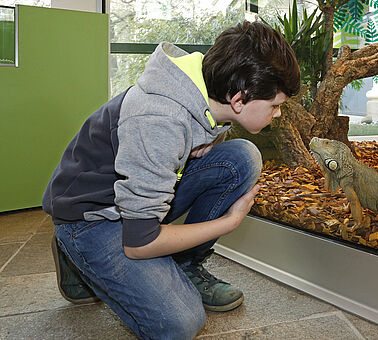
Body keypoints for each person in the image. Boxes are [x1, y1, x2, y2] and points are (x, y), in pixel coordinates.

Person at [42, 21, 300, 339]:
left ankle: (186, 264)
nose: (277, 114)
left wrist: (211, 138)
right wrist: (229, 223)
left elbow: (204, 128)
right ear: (239, 99)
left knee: (241, 159)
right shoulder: (159, 120)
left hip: (126, 198)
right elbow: (139, 243)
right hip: (90, 217)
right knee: (179, 322)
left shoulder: (203, 92)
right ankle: (78, 256)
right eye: (275, 105)